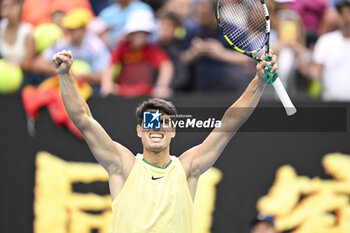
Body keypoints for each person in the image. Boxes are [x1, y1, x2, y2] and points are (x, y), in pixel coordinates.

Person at [52, 47, 278, 232]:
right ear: (140, 131)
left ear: (173, 131)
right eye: (150, 123)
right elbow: (83, 119)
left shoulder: (187, 167)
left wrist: (258, 80)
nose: (157, 128)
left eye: (164, 123)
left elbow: (229, 124)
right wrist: (65, 75)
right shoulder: (124, 166)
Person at [101, 10, 174, 98]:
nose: (140, 38)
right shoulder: (122, 47)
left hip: (146, 94)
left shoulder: (151, 49)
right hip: (122, 93)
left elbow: (166, 65)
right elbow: (110, 65)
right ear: (130, 34)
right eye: (137, 33)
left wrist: (161, 86)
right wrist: (107, 84)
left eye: (143, 34)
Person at [33, 8, 110, 89]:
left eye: (74, 29)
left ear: (83, 28)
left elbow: (104, 75)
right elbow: (38, 63)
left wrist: (84, 76)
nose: (70, 32)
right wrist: (61, 71)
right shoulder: (63, 43)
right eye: (69, 28)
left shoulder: (96, 46)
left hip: (89, 89)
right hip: (64, 87)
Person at [311, 0, 350, 101]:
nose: (347, 18)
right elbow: (316, 71)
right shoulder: (325, 41)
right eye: (342, 13)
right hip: (331, 103)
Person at [0, 0, 35, 73]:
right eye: (4, 7)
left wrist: (17, 63)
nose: (7, 11)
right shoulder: (1, 27)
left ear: (19, 7)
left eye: (11, 6)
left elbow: (28, 64)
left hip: (21, 75)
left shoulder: (28, 32)